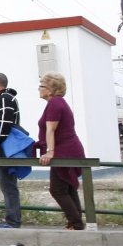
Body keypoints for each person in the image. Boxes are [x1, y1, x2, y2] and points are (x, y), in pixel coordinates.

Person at [37, 72, 87, 230]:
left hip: (65, 151)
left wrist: (50, 152)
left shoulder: (55, 104)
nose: (39, 88)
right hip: (70, 149)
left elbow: (51, 129)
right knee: (68, 188)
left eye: (42, 86)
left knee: (57, 190)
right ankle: (74, 223)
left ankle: (77, 224)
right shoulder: (58, 103)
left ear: (51, 89)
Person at [0, 72, 22, 228]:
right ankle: (12, 219)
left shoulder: (4, 99)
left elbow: (4, 124)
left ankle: (13, 221)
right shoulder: (4, 98)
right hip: (5, 148)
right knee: (7, 185)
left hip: (5, 149)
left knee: (8, 186)